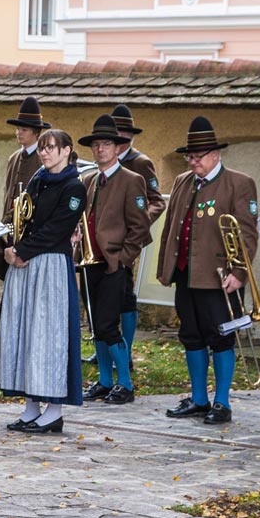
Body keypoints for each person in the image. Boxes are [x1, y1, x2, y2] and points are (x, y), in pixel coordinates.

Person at [154, 116, 260, 426]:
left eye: (198, 156)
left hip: (220, 278)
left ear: (215, 154)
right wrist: (167, 268)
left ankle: (222, 402)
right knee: (191, 335)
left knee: (221, 337)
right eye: (189, 156)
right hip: (187, 273)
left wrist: (239, 272)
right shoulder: (183, 181)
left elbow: (248, 234)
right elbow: (172, 227)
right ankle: (199, 398)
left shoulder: (239, 183)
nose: (193, 161)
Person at [0, 127, 87, 435]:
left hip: (50, 266)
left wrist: (22, 250)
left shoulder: (74, 188)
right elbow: (23, 218)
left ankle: (54, 411)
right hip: (26, 263)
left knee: (49, 336)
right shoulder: (37, 180)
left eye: (52, 147)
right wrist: (10, 242)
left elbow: (58, 228)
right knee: (25, 333)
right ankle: (31, 406)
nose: (45, 152)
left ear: (67, 151)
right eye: (43, 147)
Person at [78, 115, 152, 405]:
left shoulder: (132, 180)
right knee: (97, 323)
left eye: (106, 144)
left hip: (113, 264)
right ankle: (105, 380)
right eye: (96, 145)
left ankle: (125, 382)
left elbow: (140, 227)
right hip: (89, 263)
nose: (100, 150)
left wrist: (122, 259)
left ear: (117, 147)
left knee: (109, 324)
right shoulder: (89, 180)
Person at [110, 103, 165, 353]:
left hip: (128, 238)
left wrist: (137, 223)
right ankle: (108, 343)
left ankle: (125, 347)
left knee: (124, 293)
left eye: (124, 134)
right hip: (104, 236)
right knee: (104, 295)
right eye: (116, 133)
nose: (120, 138)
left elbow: (157, 202)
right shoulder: (105, 159)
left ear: (130, 136)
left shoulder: (140, 162)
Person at [0, 97, 49, 282]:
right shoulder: (13, 158)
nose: (18, 133)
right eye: (17, 129)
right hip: (11, 229)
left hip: (30, 231)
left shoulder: (44, 160)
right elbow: (9, 193)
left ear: (36, 132)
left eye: (23, 129)